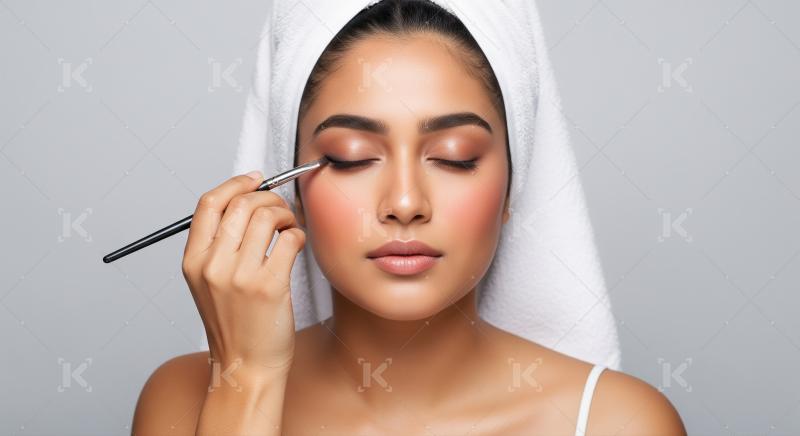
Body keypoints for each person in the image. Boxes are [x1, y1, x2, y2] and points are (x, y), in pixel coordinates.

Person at [132, 1, 686, 434]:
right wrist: (245, 384)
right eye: (350, 156)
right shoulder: (184, 401)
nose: (403, 202)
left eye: (455, 156)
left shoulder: (619, 423)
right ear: (291, 188)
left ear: (513, 184)